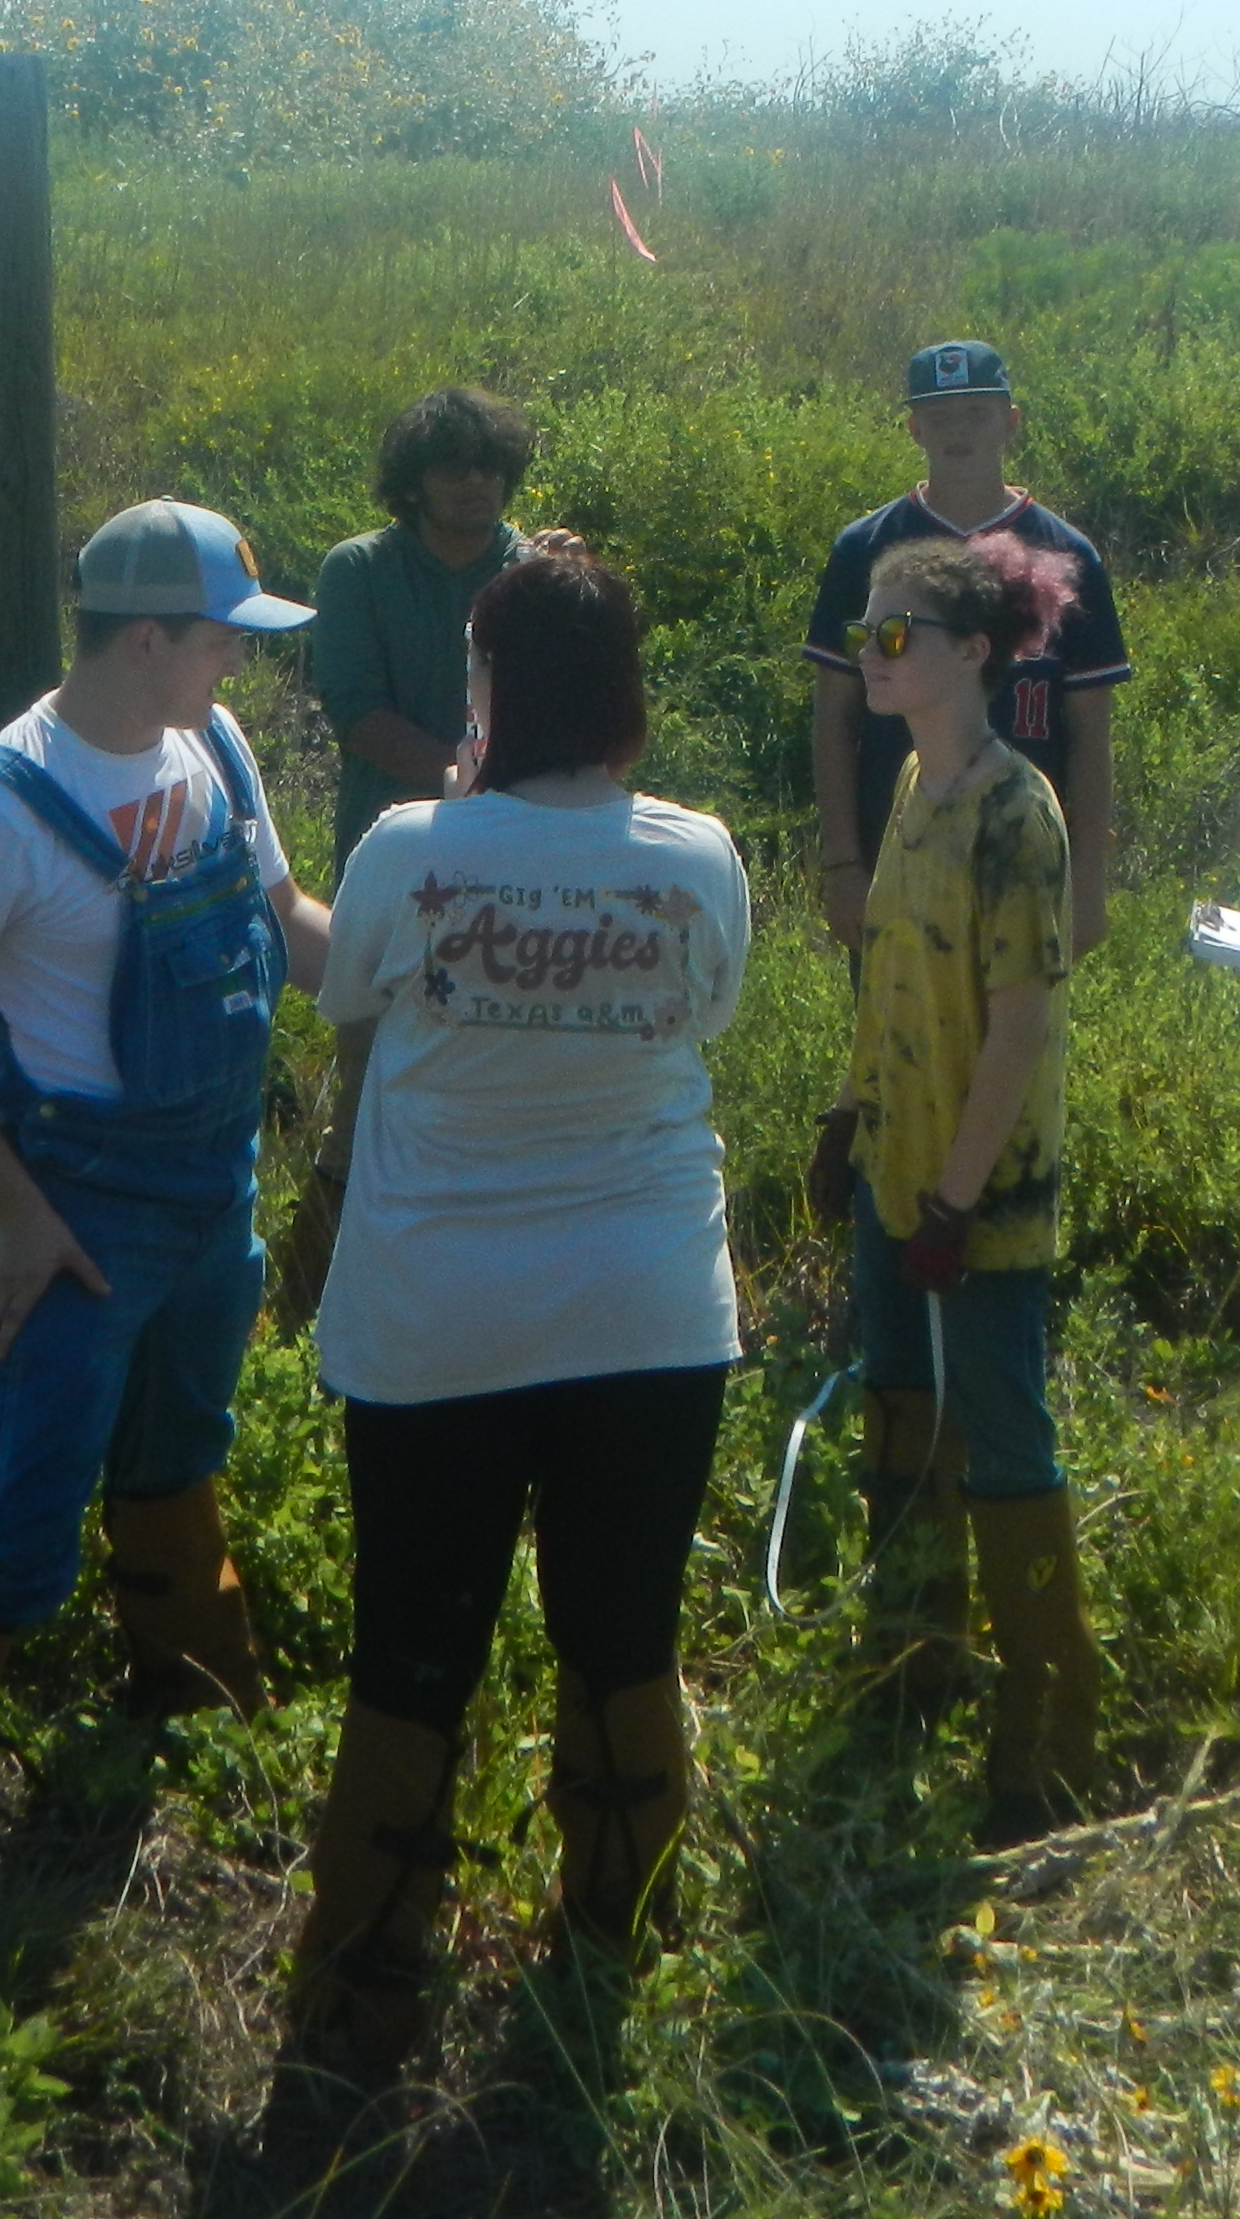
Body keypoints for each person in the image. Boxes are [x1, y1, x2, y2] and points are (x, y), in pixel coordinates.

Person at [0, 497, 335, 1937]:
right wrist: (18, 1218)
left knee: (180, 1452)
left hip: (211, 1190)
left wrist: (419, 971)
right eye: (222, 638)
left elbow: (287, 918)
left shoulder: (214, 749)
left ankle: (197, 1718)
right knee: (9, 1527)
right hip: (74, 1217)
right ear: (146, 639)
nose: (239, 662)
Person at [269, 537, 751, 2089]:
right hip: (650, 1316)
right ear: (625, 693)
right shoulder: (697, 855)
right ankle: (613, 1956)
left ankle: (362, 1989)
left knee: (415, 1645)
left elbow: (348, 995)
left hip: (437, 1322)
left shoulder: (412, 850)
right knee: (624, 1635)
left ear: (489, 681)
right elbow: (707, 1010)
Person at [805, 524, 1098, 1843]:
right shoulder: (914, 790)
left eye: (894, 634)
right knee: (900, 1414)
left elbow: (1020, 1026)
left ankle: (1045, 1748)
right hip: (896, 1170)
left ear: (973, 653)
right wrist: (850, 1115)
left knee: (1006, 1440)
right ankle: (910, 1659)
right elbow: (892, 983)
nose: (870, 655)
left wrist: (957, 1202)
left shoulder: (1014, 813)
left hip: (981, 1196)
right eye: (863, 632)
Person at [802, 341, 1127, 964]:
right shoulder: (866, 547)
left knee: (1017, 1019)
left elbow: (1091, 732)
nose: (958, 431)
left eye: (976, 413)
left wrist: (1088, 881)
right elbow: (834, 718)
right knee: (898, 1021)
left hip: (1024, 849)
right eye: (940, 415)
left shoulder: (1068, 554)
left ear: (1010, 421)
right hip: (896, 845)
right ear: (914, 428)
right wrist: (842, 864)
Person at [308, 384, 538, 871]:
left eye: (490, 468)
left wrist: (580, 589)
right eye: (455, 469)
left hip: (514, 841)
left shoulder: (531, 571)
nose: (476, 481)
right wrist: (474, 780)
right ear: (413, 485)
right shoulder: (359, 569)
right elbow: (358, 716)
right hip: (390, 840)